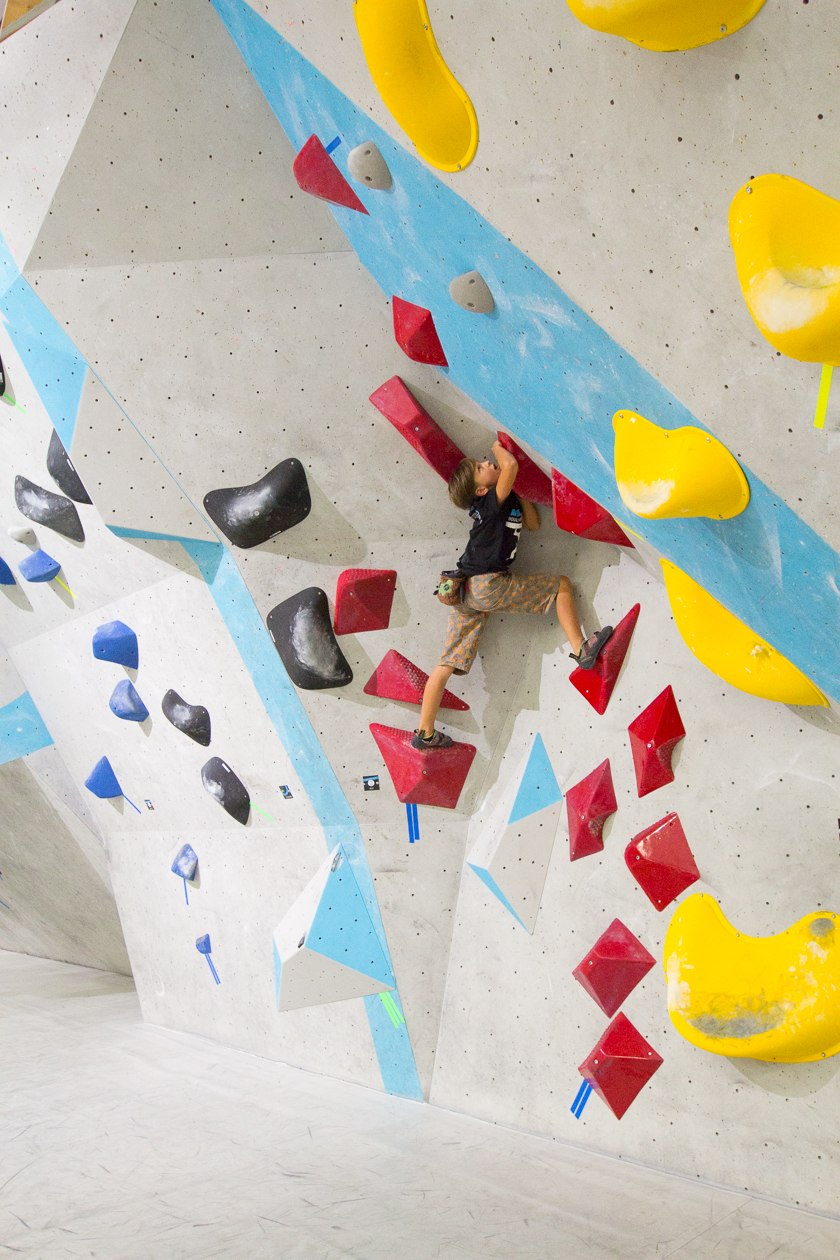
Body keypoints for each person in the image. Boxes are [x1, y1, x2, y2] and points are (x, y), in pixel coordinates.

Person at [411, 440, 613, 750]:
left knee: (447, 663)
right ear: (480, 490)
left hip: (468, 592)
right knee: (560, 585)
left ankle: (424, 733)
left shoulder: (503, 501)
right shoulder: (487, 504)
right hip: (486, 585)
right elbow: (510, 465)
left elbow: (532, 523)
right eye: (481, 468)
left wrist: (520, 492)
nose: (487, 463)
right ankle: (581, 648)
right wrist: (499, 443)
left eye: (484, 461)